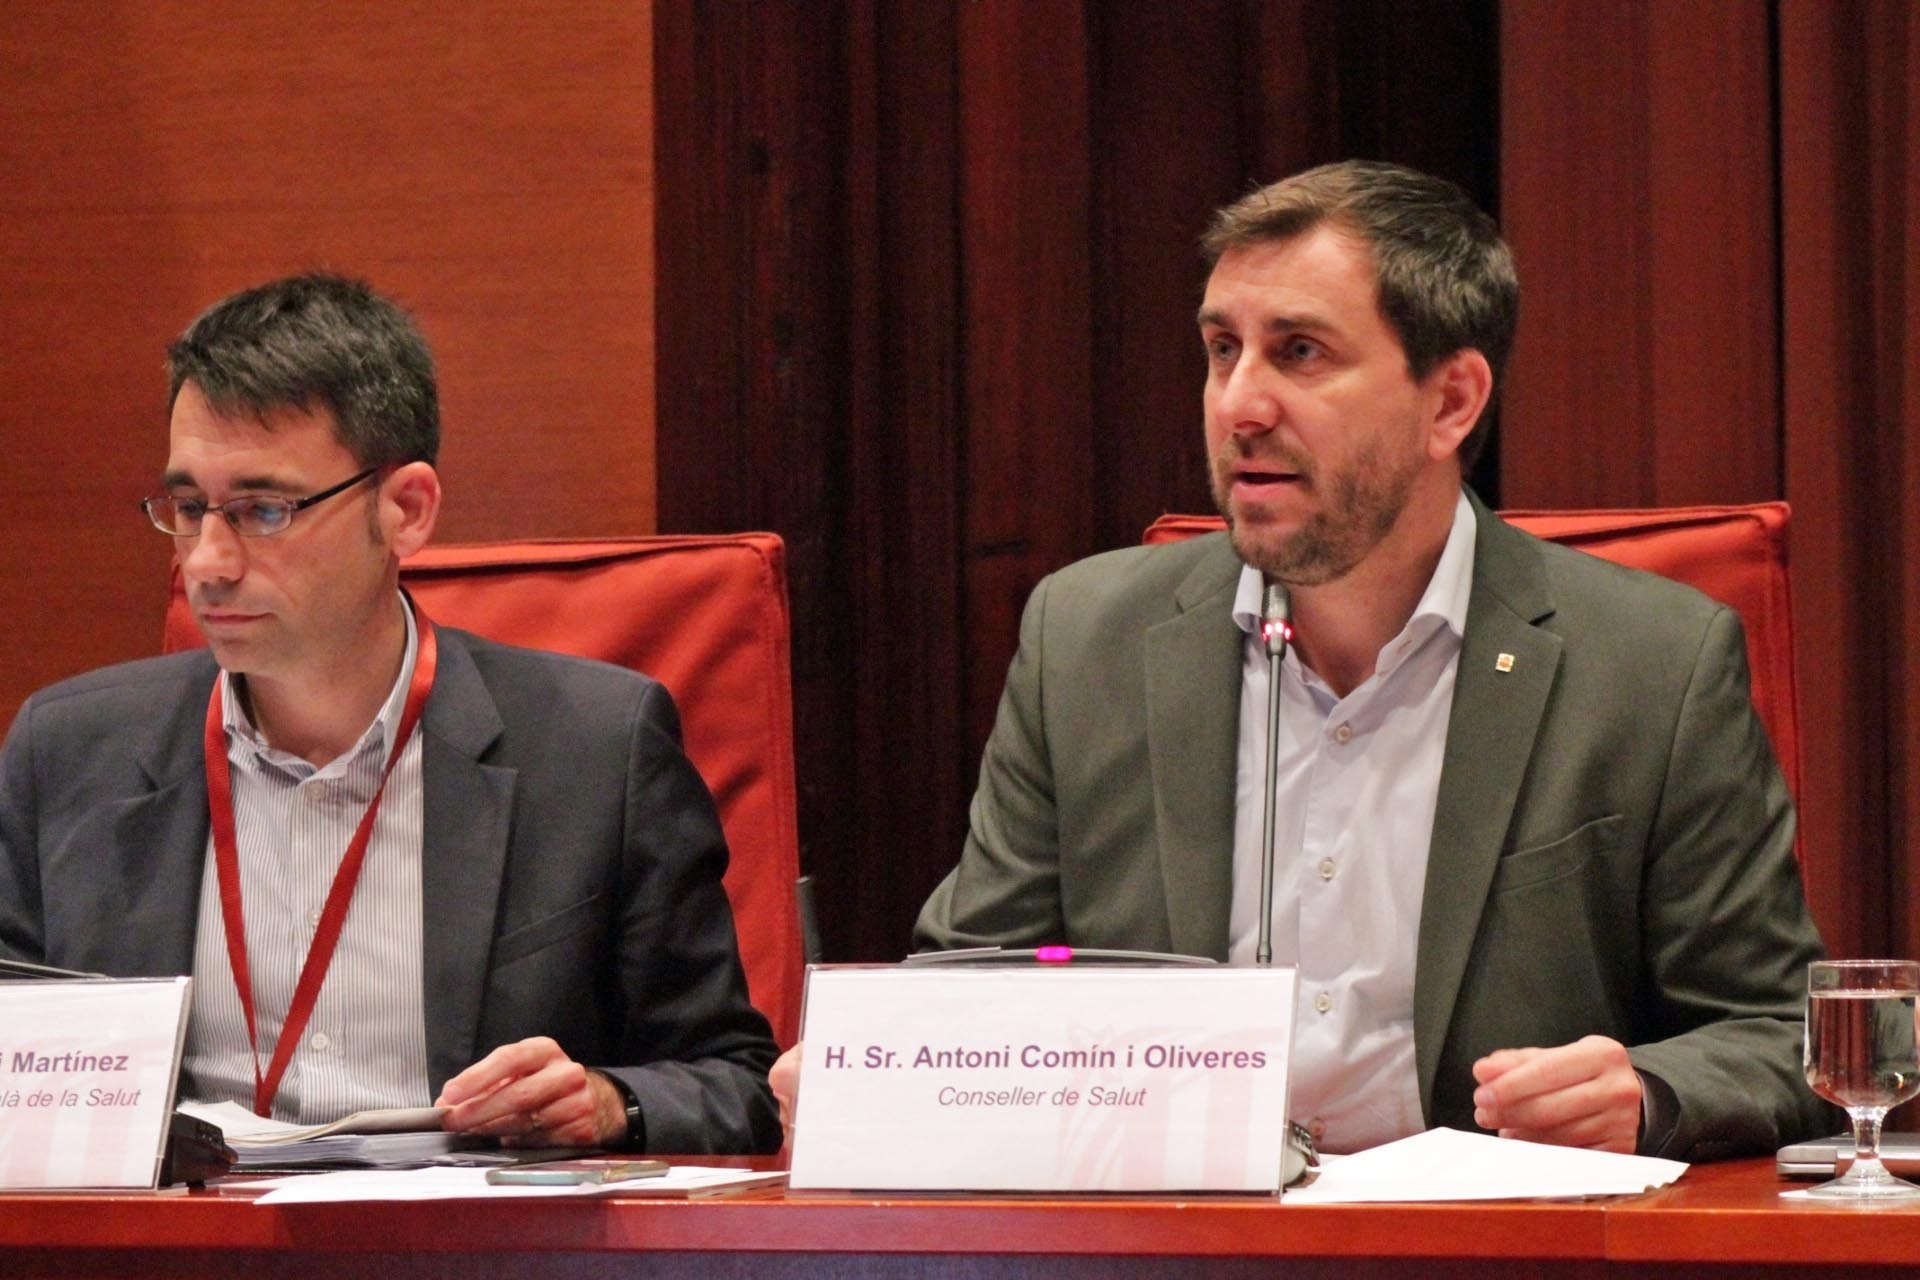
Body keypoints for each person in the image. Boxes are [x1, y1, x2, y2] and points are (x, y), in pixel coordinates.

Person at [777, 160, 1831, 1161]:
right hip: (1175, 1241)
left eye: (1300, 353)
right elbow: (980, 985)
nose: (1239, 403)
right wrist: (879, 1062)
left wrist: (1646, 1091)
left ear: (1451, 402)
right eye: (1221, 348)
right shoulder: (1086, 638)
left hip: (1487, 1240)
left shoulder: (1649, 664)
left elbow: (1784, 1029)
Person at [0, 274, 780, 1154]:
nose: (207, 562)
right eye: (189, 508)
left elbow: (735, 1086)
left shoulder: (597, 752)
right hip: (184, 1223)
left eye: (264, 510)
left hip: (464, 1222)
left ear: (405, 510)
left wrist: (608, 1101)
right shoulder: (67, 755)